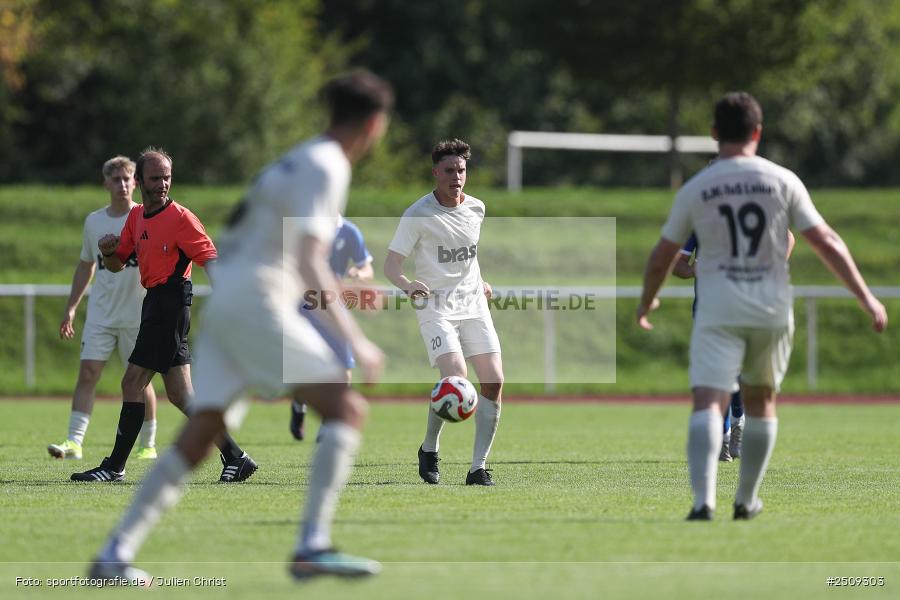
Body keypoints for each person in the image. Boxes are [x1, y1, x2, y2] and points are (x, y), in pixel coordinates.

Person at [88, 70, 393, 584]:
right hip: (256, 300)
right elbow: (313, 260)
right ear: (374, 124)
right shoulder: (328, 165)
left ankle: (114, 554)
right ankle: (312, 546)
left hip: (230, 299)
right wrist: (355, 340)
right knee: (346, 407)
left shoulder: (300, 155)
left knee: (200, 434)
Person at [636, 91, 887, 521]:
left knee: (708, 402)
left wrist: (646, 302)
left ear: (714, 133)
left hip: (717, 308)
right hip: (770, 308)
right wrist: (865, 296)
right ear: (758, 132)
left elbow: (663, 255)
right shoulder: (782, 180)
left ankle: (702, 502)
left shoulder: (699, 187)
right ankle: (746, 500)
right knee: (761, 402)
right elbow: (826, 241)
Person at [71, 148, 257, 484]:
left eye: (167, 177)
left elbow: (210, 260)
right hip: (154, 303)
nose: (163, 184)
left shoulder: (182, 218)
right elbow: (114, 266)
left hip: (170, 304)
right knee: (181, 395)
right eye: (155, 178)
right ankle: (236, 457)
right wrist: (110, 251)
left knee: (132, 382)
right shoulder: (137, 217)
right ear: (140, 181)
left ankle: (114, 467)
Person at [384, 139, 503, 486]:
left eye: (461, 170)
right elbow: (391, 264)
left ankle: (478, 468)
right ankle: (430, 448)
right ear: (435, 172)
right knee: (456, 376)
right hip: (434, 306)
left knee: (494, 380)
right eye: (449, 171)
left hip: (473, 304)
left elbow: (467, 254)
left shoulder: (477, 208)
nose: (456, 177)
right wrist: (407, 286)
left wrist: (481, 281)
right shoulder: (417, 214)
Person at [49, 156, 159, 461]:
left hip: (138, 315)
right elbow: (87, 266)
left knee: (139, 380)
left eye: (127, 179)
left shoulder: (146, 216)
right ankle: (74, 442)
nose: (122, 185)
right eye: (116, 180)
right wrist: (72, 306)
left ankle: (147, 443)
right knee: (88, 373)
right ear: (106, 183)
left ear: (135, 182)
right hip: (101, 314)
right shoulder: (94, 221)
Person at [674, 230, 797, 462]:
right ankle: (723, 438)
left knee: (738, 374)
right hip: (709, 312)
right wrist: (693, 270)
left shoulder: (750, 211)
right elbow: (677, 263)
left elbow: (787, 236)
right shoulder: (701, 219)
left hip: (747, 309)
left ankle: (738, 422)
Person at [291, 216, 374, 441]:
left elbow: (366, 266)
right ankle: (299, 406)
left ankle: (328, 427)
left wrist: (360, 274)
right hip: (302, 307)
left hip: (334, 308)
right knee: (302, 370)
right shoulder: (303, 227)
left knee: (344, 368)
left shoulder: (349, 231)